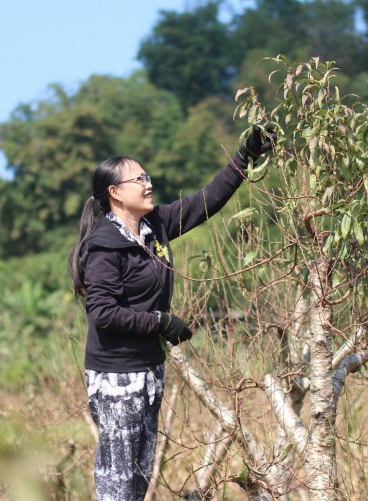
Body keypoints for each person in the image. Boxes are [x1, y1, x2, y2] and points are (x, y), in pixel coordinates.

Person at [67, 125, 276, 501]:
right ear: (115, 193)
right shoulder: (104, 246)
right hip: (116, 377)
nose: (149, 183)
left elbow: (206, 200)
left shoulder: (154, 226)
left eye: (147, 176)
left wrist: (244, 157)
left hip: (149, 371)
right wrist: (160, 323)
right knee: (117, 486)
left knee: (140, 478)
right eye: (139, 179)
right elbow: (103, 314)